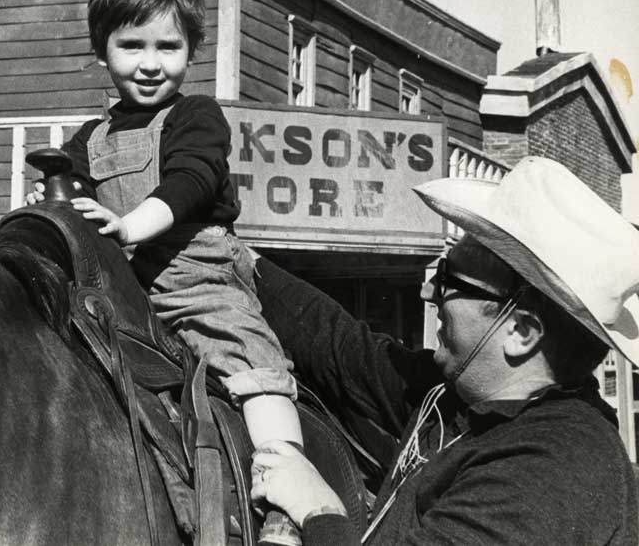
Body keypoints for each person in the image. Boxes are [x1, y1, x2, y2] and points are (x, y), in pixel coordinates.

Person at [28, 0, 305, 544]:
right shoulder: (89, 139)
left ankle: (285, 490)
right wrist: (55, 202)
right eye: (131, 46)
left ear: (190, 51)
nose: (150, 64)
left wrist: (129, 226)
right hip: (123, 292)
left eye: (168, 46)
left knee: (252, 363)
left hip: (197, 276)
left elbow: (190, 182)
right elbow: (74, 203)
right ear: (102, 50)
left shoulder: (196, 117)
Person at [249, 155, 639, 544]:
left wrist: (319, 510)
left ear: (520, 331)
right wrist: (236, 257)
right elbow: (342, 346)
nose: (427, 292)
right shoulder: (460, 399)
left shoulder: (552, 468)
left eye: (448, 279)